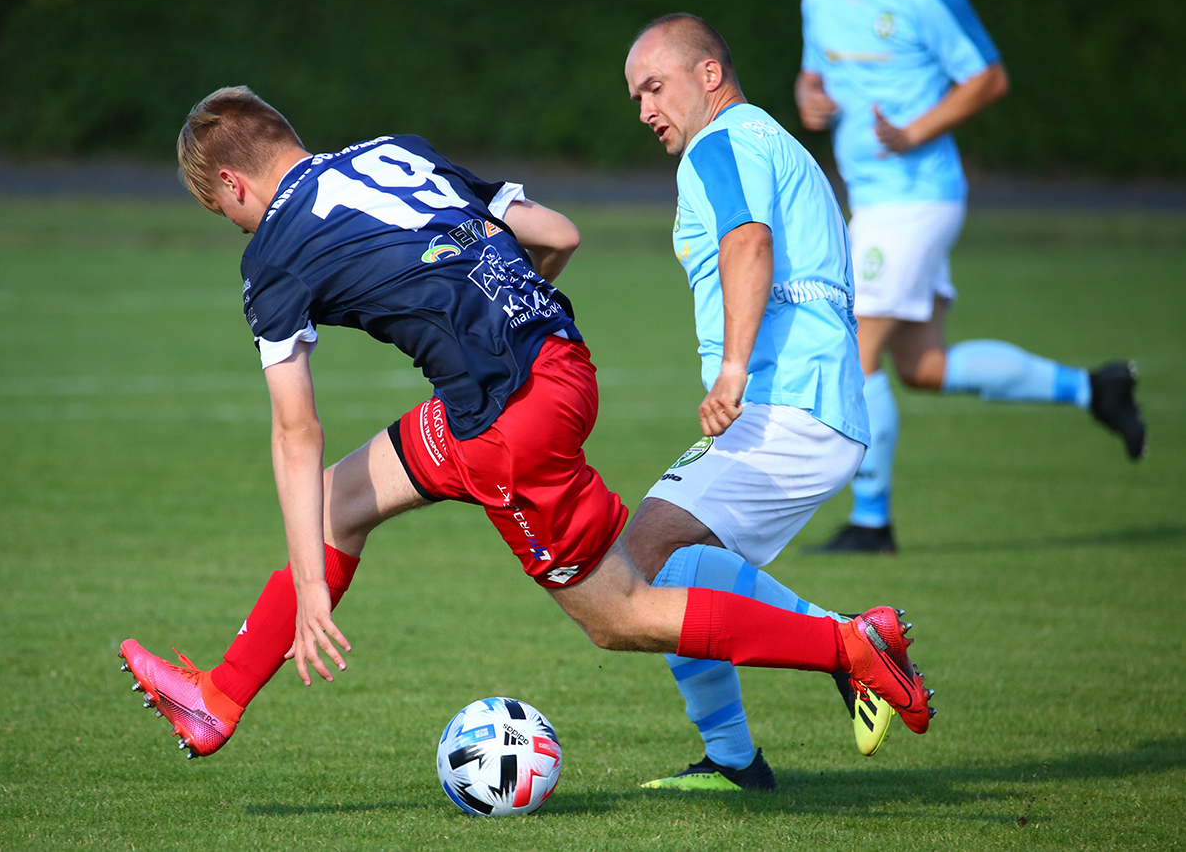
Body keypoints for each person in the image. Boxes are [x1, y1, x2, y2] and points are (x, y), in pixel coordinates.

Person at [117, 86, 931, 766]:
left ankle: (847, 647)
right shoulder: (392, 153)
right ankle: (219, 696)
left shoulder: (273, 252)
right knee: (341, 501)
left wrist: (308, 583)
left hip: (505, 418)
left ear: (233, 185)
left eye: (225, 213)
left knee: (619, 612)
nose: (239, 227)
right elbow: (555, 233)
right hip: (557, 364)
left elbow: (296, 429)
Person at [620, 15, 903, 792]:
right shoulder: (770, 141)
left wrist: (734, 369)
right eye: (637, 95)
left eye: (655, 87)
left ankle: (849, 644)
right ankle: (736, 760)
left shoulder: (719, 144)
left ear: (709, 74)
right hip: (806, 401)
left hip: (788, 400)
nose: (645, 109)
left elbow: (748, 241)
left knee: (643, 560)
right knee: (670, 568)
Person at [797, 0, 1147, 553]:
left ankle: (871, 524)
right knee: (922, 366)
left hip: (914, 198)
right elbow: (813, 75)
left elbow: (989, 78)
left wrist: (913, 133)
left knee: (853, 349)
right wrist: (810, 96)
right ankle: (1095, 389)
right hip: (872, 199)